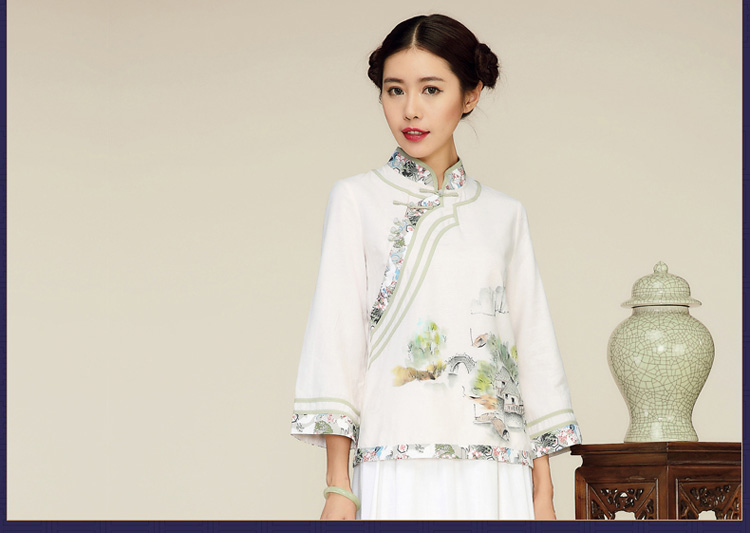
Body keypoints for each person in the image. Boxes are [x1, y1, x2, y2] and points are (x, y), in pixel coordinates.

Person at [290, 13, 582, 520]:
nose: (410, 109)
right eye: (394, 90)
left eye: (430, 89)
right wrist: (339, 485)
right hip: (395, 460)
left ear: (470, 95)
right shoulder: (356, 200)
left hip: (498, 468)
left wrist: (543, 492)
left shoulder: (504, 214)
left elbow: (529, 348)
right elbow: (336, 339)